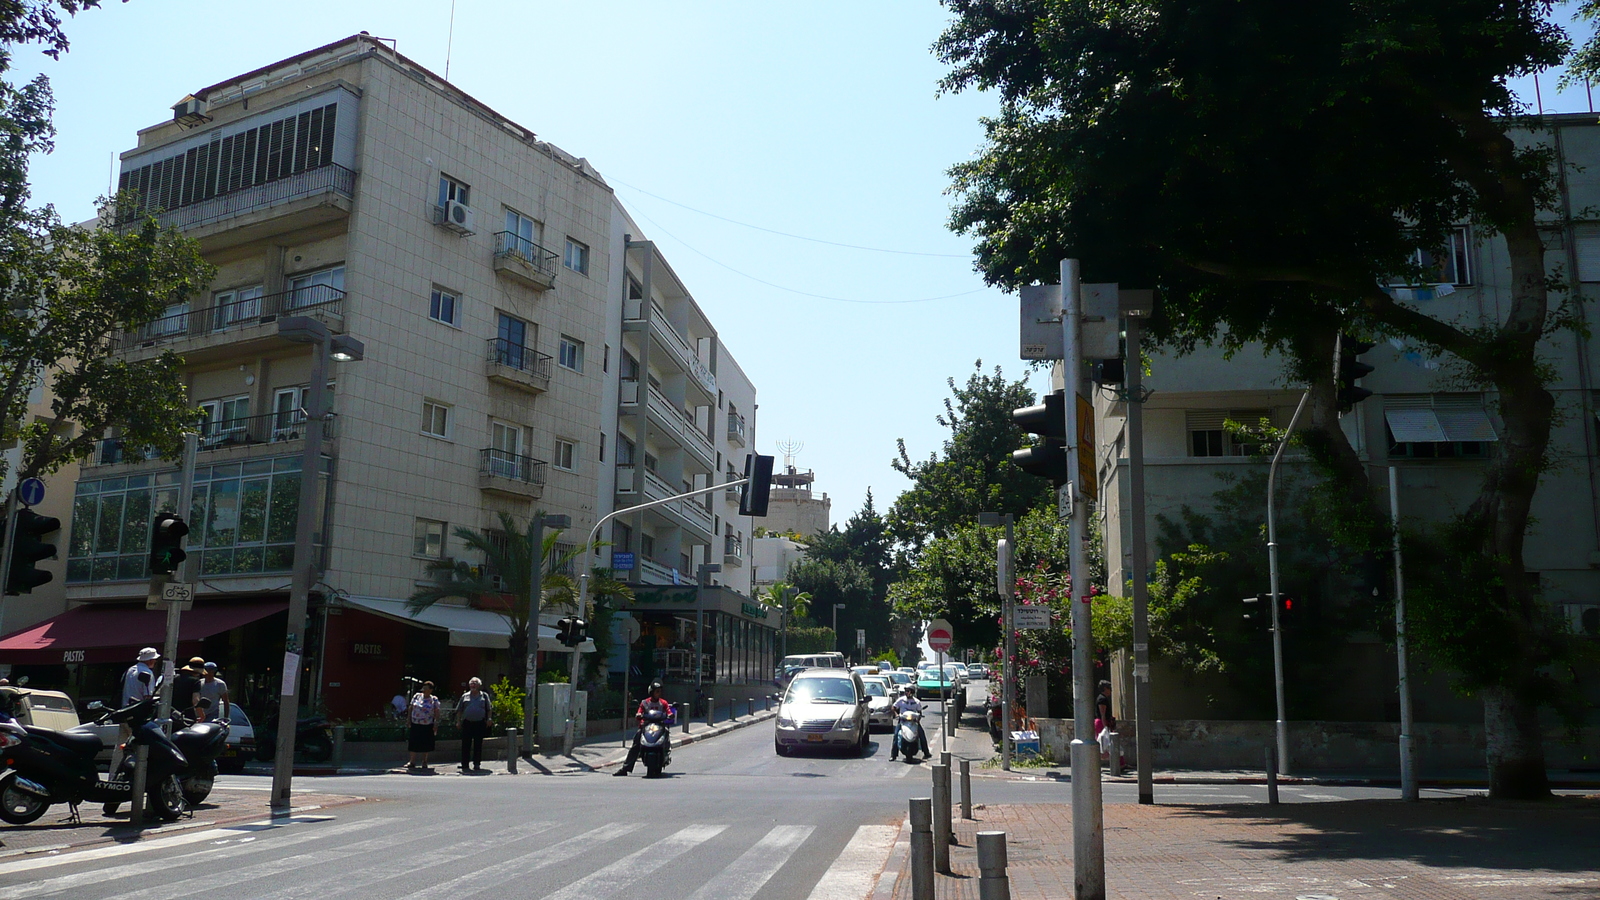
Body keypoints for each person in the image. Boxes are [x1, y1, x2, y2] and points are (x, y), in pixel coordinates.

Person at [613, 683, 675, 776]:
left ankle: (665, 752)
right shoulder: (645, 703)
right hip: (646, 726)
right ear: (651, 692)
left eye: (660, 691)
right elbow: (639, 712)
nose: (659, 693)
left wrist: (670, 714)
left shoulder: (663, 703)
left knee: (666, 733)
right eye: (657, 691)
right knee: (636, 744)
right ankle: (625, 768)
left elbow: (668, 711)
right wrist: (639, 715)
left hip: (659, 725)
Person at [455, 677, 492, 772]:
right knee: (465, 744)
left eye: (475, 683)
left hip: (479, 723)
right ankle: (465, 764)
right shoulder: (465, 696)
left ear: (479, 685)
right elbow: (459, 710)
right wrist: (458, 721)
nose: (473, 684)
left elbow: (489, 709)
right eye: (471, 683)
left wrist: (489, 719)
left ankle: (476, 764)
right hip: (467, 723)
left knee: (478, 744)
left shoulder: (484, 696)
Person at [406, 681, 441, 771]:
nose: (424, 690)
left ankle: (424, 761)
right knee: (413, 742)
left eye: (426, 688)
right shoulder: (417, 696)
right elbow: (411, 707)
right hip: (416, 723)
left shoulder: (434, 699)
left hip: (427, 724)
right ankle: (412, 761)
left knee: (426, 743)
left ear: (430, 690)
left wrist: (436, 723)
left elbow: (437, 712)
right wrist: (408, 719)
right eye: (423, 687)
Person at [891, 685, 930, 761]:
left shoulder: (916, 702)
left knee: (921, 734)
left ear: (912, 692)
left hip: (913, 721)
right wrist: (896, 714)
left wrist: (918, 718)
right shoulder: (901, 700)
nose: (907, 693)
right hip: (903, 721)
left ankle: (926, 752)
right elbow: (893, 707)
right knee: (896, 735)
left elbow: (919, 711)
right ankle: (893, 755)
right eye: (906, 691)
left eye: (908, 691)